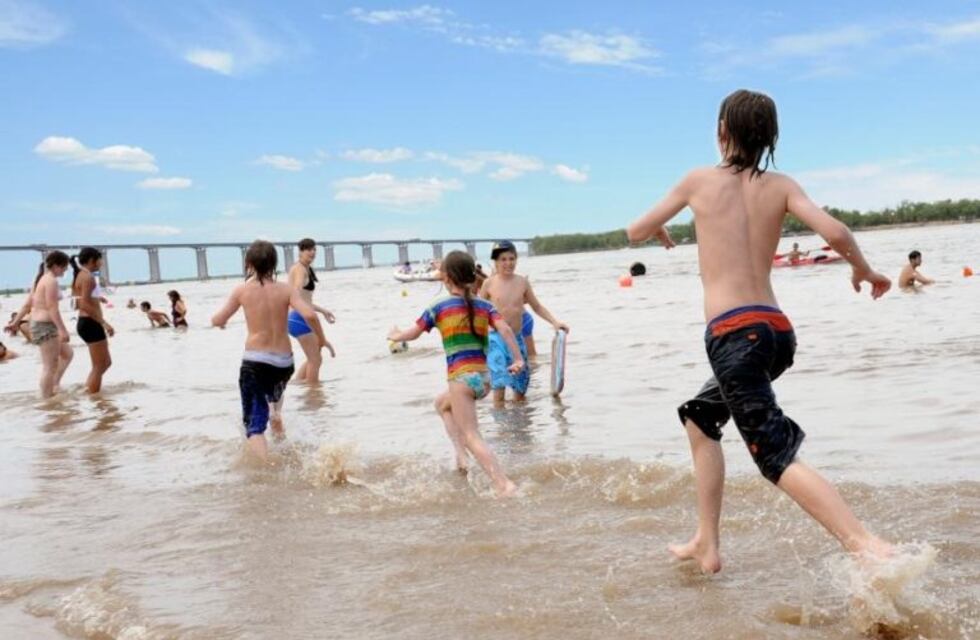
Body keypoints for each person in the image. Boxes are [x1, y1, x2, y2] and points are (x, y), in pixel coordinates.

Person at [626, 89, 893, 574]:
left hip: (734, 337)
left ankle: (865, 543)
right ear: (768, 137)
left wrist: (661, 228)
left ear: (721, 131)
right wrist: (865, 271)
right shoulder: (782, 185)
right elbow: (835, 232)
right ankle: (707, 542)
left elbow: (634, 231)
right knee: (699, 418)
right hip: (775, 334)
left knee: (773, 455)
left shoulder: (698, 181)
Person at [387, 251, 522, 497]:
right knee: (441, 404)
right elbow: (505, 329)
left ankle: (504, 484)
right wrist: (518, 358)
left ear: (446, 278)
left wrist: (396, 335)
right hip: (483, 379)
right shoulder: (485, 305)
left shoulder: (439, 306)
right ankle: (461, 458)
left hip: (461, 380)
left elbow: (413, 333)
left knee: (472, 435)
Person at [212, 240, 328, 462]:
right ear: (274, 263)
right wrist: (322, 339)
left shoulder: (242, 291)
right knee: (274, 410)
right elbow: (310, 315)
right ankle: (287, 454)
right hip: (283, 364)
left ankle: (268, 472)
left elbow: (219, 318)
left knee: (254, 426)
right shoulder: (286, 290)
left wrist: (218, 322)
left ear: (249, 264)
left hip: (256, 363)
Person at [479, 240, 568, 405]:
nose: (508, 263)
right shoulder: (488, 284)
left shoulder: (522, 282)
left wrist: (555, 322)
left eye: (512, 258)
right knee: (499, 387)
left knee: (520, 390)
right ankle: (502, 429)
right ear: (496, 262)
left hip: (517, 340)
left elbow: (537, 306)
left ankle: (520, 424)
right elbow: (477, 312)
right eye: (503, 259)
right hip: (496, 341)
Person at [5, 252, 73, 397]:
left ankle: (54, 385)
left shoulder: (41, 280)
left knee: (67, 354)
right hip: (44, 326)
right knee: (49, 366)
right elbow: (52, 307)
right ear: (55, 265)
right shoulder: (50, 281)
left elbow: (27, 304)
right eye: (64, 267)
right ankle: (46, 398)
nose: (66, 270)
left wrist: (15, 322)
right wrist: (63, 330)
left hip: (41, 324)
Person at [287, 238, 336, 383]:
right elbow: (295, 294)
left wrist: (323, 310)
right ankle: (314, 393)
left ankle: (300, 385)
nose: (313, 252)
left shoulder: (305, 268)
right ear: (300, 251)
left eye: (314, 250)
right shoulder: (300, 270)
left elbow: (305, 300)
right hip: (298, 318)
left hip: (298, 317)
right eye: (309, 249)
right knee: (316, 359)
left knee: (313, 357)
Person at [71, 247, 114, 394]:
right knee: (100, 365)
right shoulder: (87, 277)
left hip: (87, 322)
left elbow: (79, 300)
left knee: (105, 363)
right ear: (91, 260)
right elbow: (83, 304)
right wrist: (104, 322)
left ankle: (90, 392)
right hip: (90, 323)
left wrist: (97, 298)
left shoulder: (81, 275)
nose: (101, 262)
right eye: (99, 259)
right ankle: (92, 396)